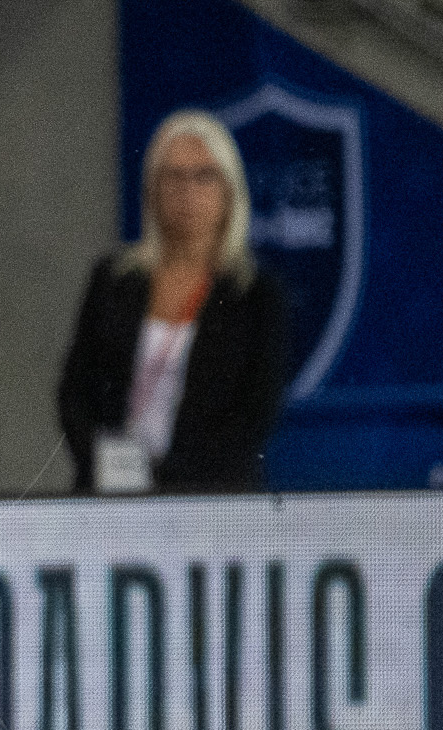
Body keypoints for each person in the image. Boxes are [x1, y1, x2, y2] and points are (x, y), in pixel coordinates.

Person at [58, 110, 290, 495]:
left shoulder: (257, 296)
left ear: (230, 190)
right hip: (110, 495)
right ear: (152, 188)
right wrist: (104, 461)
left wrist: (171, 478)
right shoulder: (114, 279)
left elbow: (255, 413)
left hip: (212, 500)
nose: (187, 191)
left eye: (204, 176)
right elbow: (74, 391)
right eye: (174, 176)